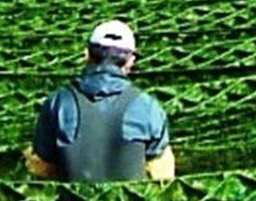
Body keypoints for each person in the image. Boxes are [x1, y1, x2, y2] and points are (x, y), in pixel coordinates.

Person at [25, 20, 175, 182]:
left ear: (86, 55)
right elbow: (162, 174)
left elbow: (41, 167)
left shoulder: (59, 102)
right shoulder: (147, 106)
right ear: (130, 61)